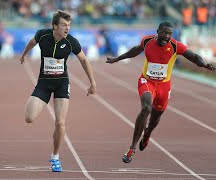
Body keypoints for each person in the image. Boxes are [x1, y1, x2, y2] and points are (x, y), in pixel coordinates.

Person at [106, 21, 215, 163]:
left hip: (164, 86)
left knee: (154, 120)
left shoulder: (176, 46)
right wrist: (117, 59)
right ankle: (132, 148)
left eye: (170, 34)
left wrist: (205, 64)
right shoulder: (147, 41)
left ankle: (147, 135)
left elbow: (194, 57)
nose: (167, 36)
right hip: (147, 81)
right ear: (158, 31)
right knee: (146, 108)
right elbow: (134, 51)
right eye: (164, 32)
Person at [19, 10, 96, 172]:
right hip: (44, 83)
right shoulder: (43, 35)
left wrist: (92, 82)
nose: (67, 28)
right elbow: (32, 42)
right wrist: (24, 55)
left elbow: (83, 59)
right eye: (63, 25)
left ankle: (55, 157)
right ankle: (54, 155)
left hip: (62, 83)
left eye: (69, 25)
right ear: (54, 26)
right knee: (29, 117)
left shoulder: (71, 42)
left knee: (60, 122)